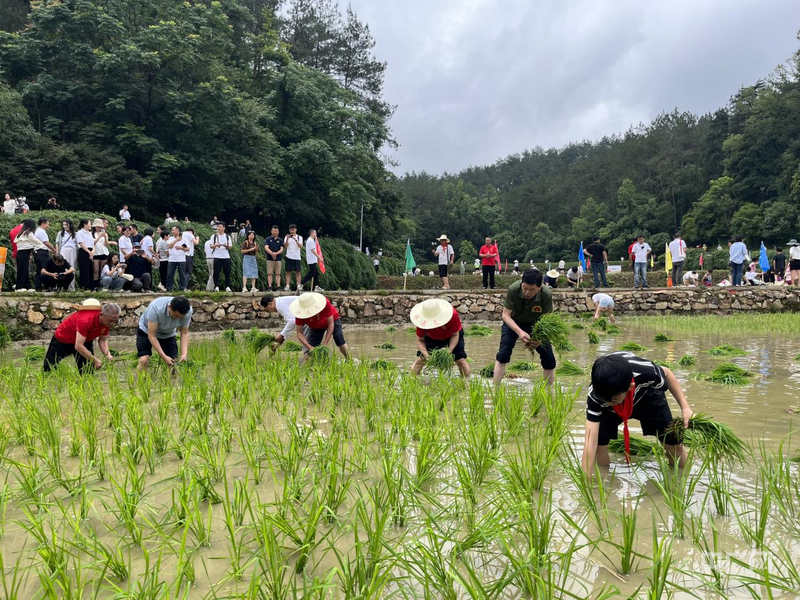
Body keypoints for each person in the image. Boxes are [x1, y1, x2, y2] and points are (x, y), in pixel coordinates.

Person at [580, 352, 694, 476]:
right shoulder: (597, 396)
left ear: (630, 387)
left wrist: (685, 407)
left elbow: (667, 373)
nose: (607, 402)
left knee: (673, 444)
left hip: (648, 398)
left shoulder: (646, 372)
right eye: (604, 400)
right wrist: (585, 483)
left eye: (611, 400)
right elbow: (590, 441)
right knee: (598, 447)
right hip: (610, 408)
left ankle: (682, 479)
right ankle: (605, 479)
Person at [493, 269, 556, 387]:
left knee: (549, 358)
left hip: (537, 324)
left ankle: (548, 391)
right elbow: (505, 315)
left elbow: (548, 320)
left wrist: (540, 338)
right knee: (503, 354)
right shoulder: (513, 289)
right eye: (525, 288)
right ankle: (495, 389)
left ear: (540, 287)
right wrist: (520, 332)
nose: (527, 292)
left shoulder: (546, 294)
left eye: (532, 289)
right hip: (513, 322)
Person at [43, 300, 119, 372]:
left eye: (115, 321)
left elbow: (102, 340)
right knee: (49, 367)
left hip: (85, 341)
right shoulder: (85, 320)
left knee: (87, 371)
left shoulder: (107, 321)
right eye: (110, 321)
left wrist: (108, 355)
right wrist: (95, 360)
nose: (112, 324)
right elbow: (78, 346)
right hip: (63, 339)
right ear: (101, 315)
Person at [410, 298, 470, 378]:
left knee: (460, 360)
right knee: (421, 360)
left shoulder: (452, 315)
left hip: (451, 336)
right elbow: (420, 340)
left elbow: (455, 335)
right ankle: (413, 380)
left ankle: (466, 382)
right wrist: (427, 356)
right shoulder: (421, 322)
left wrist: (449, 351)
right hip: (431, 337)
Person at [137, 296, 192, 371]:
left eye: (180, 317)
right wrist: (164, 357)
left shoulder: (188, 311)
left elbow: (184, 333)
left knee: (173, 363)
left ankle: (171, 382)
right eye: (175, 316)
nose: (177, 319)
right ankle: (140, 381)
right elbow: (152, 336)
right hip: (146, 330)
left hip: (168, 333)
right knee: (143, 360)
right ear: (169, 307)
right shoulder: (156, 308)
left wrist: (184, 354)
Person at [290, 292, 349, 360]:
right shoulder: (299, 314)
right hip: (316, 326)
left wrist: (325, 343)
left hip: (333, 319)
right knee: (310, 351)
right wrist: (309, 347)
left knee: (339, 340)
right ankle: (310, 366)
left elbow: (331, 324)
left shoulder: (324, 303)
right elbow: (299, 333)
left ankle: (348, 359)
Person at [14, 219, 49, 292]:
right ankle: (20, 286)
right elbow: (37, 242)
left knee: (22, 270)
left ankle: (25, 285)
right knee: (23, 270)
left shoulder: (21, 233)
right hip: (24, 253)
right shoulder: (29, 233)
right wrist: (47, 249)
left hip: (20, 253)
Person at [33, 217, 57, 291]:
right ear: (43, 223)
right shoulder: (42, 232)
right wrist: (55, 250)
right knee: (46, 269)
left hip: (37, 252)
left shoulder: (36, 231)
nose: (48, 226)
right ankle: (48, 286)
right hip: (42, 253)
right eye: (47, 224)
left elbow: (41, 244)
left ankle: (38, 286)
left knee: (39, 270)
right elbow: (46, 243)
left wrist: (50, 250)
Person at [210, 222, 233, 292]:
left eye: (220, 227)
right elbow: (211, 246)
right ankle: (216, 286)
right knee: (216, 272)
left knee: (227, 272)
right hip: (217, 256)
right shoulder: (214, 236)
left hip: (226, 256)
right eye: (218, 227)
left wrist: (227, 246)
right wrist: (216, 245)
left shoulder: (227, 236)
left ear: (224, 228)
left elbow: (231, 247)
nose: (218, 228)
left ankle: (227, 286)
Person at [166, 226, 189, 292]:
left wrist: (181, 248)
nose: (172, 231)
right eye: (172, 230)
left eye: (174, 230)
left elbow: (187, 249)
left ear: (178, 231)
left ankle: (182, 288)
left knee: (182, 274)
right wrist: (176, 240)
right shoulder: (170, 238)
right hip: (172, 259)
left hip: (181, 259)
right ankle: (169, 288)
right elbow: (169, 246)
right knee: (170, 274)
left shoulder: (184, 239)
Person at [75, 218, 95, 290]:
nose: (91, 225)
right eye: (89, 224)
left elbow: (93, 244)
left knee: (90, 270)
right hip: (83, 251)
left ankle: (91, 287)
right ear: (85, 224)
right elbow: (81, 243)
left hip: (90, 251)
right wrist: (89, 252)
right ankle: (84, 287)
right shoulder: (80, 232)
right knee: (84, 270)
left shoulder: (90, 233)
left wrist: (92, 251)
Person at [283, 224, 304, 292]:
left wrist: (295, 240)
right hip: (289, 256)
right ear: (289, 230)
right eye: (290, 230)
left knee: (298, 272)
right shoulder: (286, 237)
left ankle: (298, 285)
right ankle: (287, 285)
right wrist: (288, 239)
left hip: (297, 257)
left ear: (296, 230)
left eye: (293, 229)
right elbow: (285, 246)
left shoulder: (299, 237)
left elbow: (300, 246)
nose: (292, 231)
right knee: (288, 271)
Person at [264, 225, 284, 291]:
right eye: (273, 231)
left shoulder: (280, 240)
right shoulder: (268, 239)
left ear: (278, 232)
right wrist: (272, 253)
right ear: (271, 231)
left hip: (278, 258)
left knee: (278, 273)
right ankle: (269, 287)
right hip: (270, 258)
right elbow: (266, 247)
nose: (275, 232)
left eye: (276, 231)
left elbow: (282, 249)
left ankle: (278, 286)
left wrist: (276, 253)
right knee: (269, 273)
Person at [92, 219, 110, 289]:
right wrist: (99, 237)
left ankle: (102, 285)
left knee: (103, 270)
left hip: (104, 252)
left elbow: (106, 244)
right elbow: (92, 243)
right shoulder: (92, 234)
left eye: (100, 226)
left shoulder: (105, 233)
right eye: (97, 226)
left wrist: (105, 237)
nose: (98, 228)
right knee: (96, 270)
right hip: (96, 253)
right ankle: (95, 285)